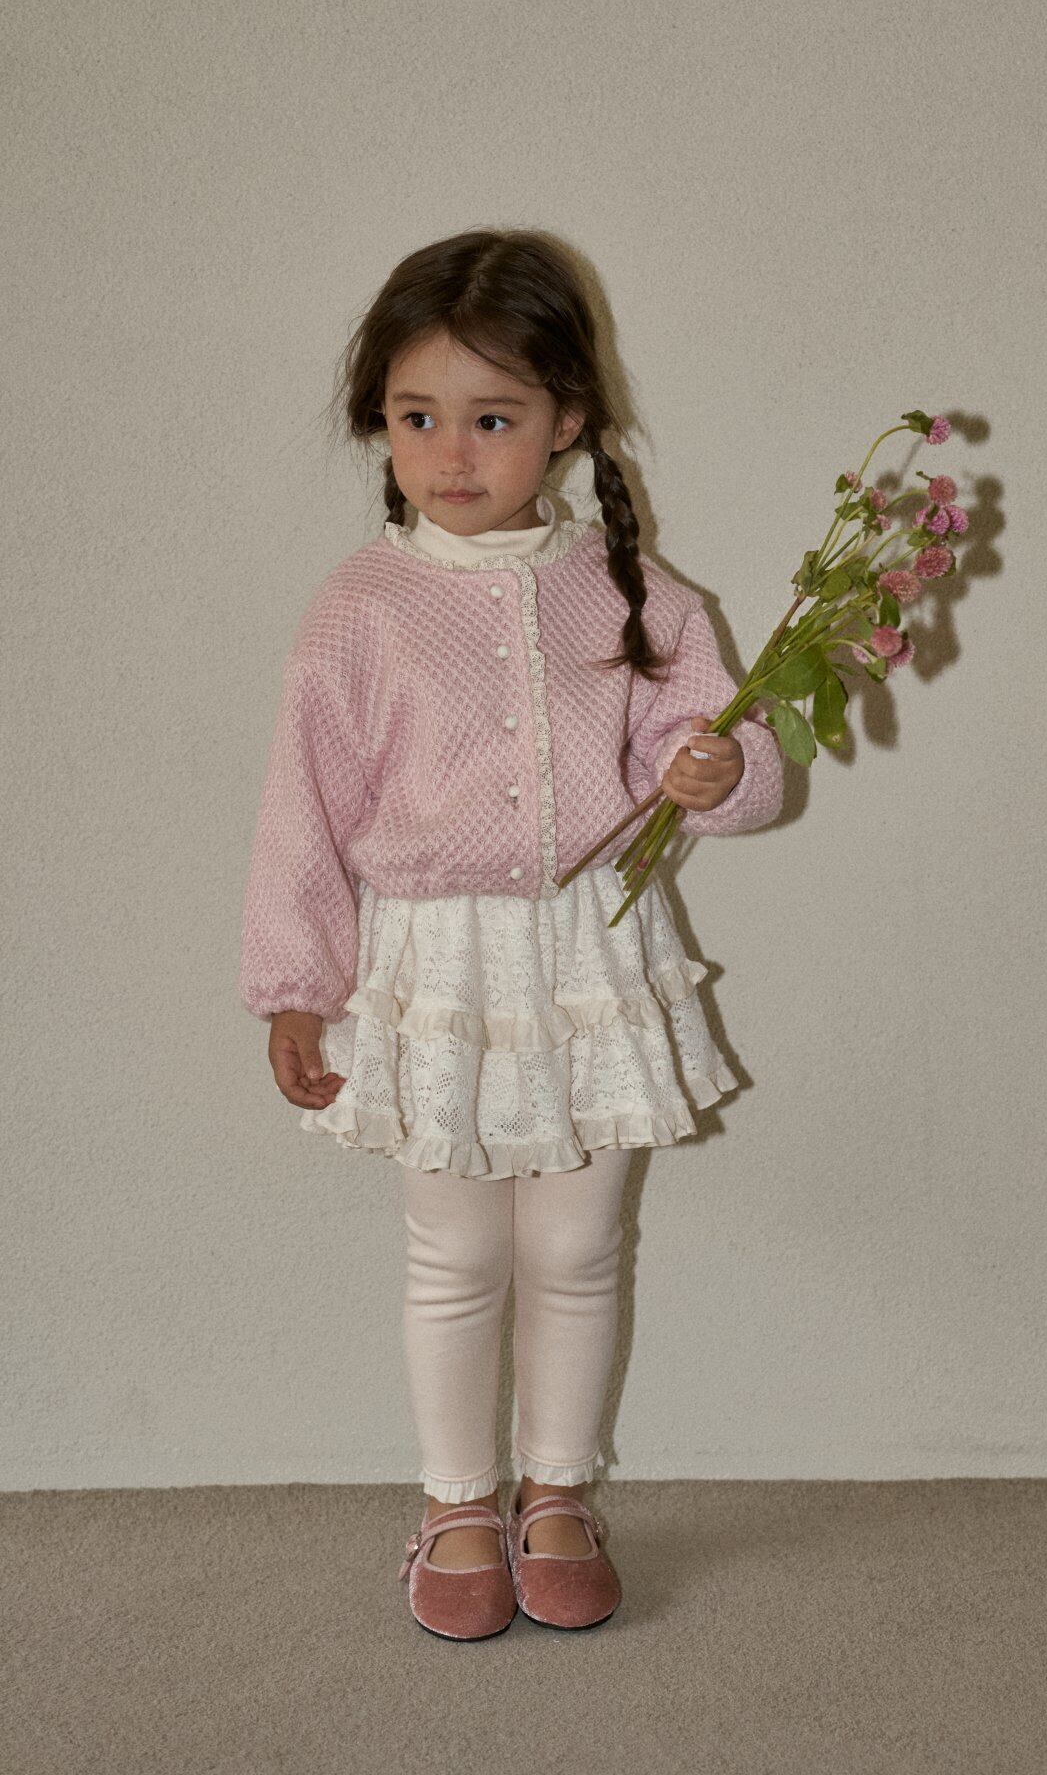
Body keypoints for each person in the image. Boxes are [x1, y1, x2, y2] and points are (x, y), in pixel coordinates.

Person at [238, 228, 784, 1640]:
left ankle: (558, 1492)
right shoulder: (359, 609)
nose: (453, 453)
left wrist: (718, 770)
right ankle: (457, 1502)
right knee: (456, 1252)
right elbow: (305, 807)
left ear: (567, 421)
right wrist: (297, 986)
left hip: (589, 957)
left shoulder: (633, 592)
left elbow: (722, 756)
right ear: (381, 423)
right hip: (435, 965)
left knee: (579, 1245)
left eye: (492, 419)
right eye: (418, 417)